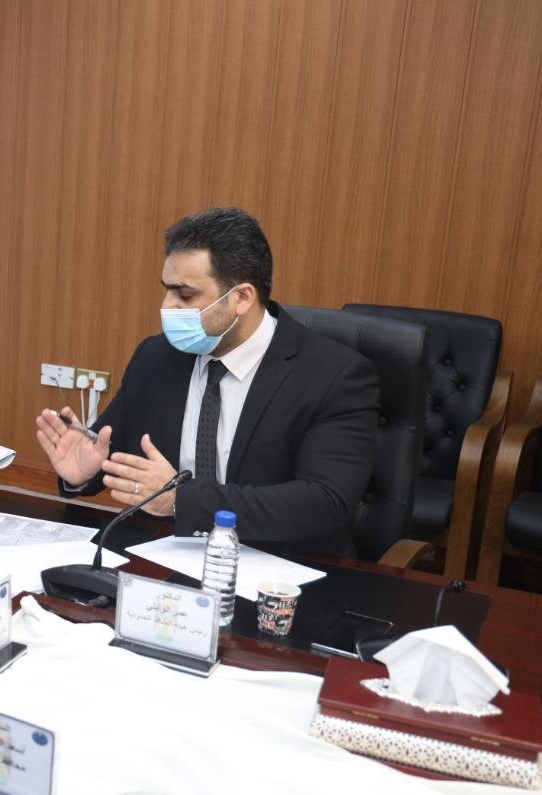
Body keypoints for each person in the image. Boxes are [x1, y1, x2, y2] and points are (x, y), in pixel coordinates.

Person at [36, 208, 379, 556]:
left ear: (242, 298)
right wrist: (84, 474)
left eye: (185, 295)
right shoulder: (156, 357)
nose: (167, 306)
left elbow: (325, 502)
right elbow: (114, 452)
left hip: (279, 566)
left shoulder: (334, 375)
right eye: (167, 291)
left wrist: (181, 500)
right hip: (165, 558)